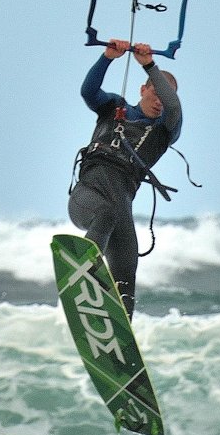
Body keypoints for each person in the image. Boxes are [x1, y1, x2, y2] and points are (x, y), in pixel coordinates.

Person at [68, 39, 182, 320]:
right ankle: (84, 272)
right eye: (153, 93)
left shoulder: (165, 129)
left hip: (121, 207)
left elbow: (173, 105)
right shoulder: (113, 108)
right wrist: (107, 57)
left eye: (164, 96)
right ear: (142, 90)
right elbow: (88, 91)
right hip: (87, 197)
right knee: (105, 213)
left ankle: (120, 350)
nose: (159, 101)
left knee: (126, 278)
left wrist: (150, 66)